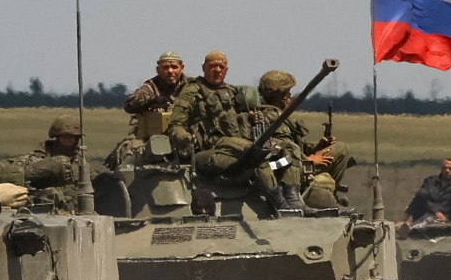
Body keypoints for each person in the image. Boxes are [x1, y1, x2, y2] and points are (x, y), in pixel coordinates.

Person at [166, 52, 310, 215]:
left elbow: (254, 111)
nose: (217, 70)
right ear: (204, 68)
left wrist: (254, 118)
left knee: (290, 149)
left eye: (221, 66)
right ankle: (280, 203)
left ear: (226, 70)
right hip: (213, 147)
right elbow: (176, 124)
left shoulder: (232, 92)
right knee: (256, 153)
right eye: (212, 66)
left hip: (238, 146)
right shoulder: (192, 91)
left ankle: (293, 198)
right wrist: (183, 136)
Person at [257, 70, 354, 209]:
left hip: (295, 163)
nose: (290, 96)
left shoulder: (279, 116)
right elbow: (281, 150)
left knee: (341, 148)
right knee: (327, 176)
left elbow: (294, 145)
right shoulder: (270, 118)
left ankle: (323, 192)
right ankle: (313, 191)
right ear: (280, 95)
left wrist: (316, 148)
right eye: (287, 92)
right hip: (284, 169)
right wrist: (309, 160)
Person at [0, 113, 91, 213]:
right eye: (64, 137)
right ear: (57, 137)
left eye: (72, 137)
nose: (68, 140)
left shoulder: (80, 162)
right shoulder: (39, 160)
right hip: (45, 213)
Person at [397, 158, 451, 234]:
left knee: (428, 219)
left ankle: (409, 228)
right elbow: (422, 198)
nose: (447, 171)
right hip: (425, 210)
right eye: (445, 168)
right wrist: (436, 211)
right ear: (441, 168)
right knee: (421, 193)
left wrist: (449, 219)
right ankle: (404, 222)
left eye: (450, 169)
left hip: (442, 217)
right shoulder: (430, 181)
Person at [123, 52, 188, 114]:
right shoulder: (152, 86)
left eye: (174, 67)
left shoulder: (190, 85)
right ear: (158, 70)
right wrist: (152, 100)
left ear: (182, 68)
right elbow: (129, 105)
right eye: (165, 67)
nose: (170, 71)